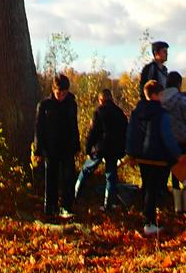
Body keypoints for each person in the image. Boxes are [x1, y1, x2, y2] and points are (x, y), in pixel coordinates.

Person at [126, 80, 181, 235]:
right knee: (154, 189)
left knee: (146, 186)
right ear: (156, 95)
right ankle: (149, 222)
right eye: (161, 94)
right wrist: (177, 154)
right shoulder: (161, 113)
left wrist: (131, 153)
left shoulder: (137, 112)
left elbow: (131, 134)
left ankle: (147, 216)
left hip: (142, 157)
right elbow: (167, 136)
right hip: (158, 157)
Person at [34, 73, 80, 219]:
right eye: (59, 93)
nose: (61, 96)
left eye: (64, 93)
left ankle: (67, 206)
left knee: (68, 178)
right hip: (50, 147)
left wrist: (76, 145)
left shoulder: (71, 104)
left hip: (66, 146)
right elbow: (38, 128)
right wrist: (38, 149)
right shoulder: (44, 105)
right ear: (54, 90)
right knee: (51, 179)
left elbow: (74, 125)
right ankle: (50, 207)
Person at [74, 88, 128, 211]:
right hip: (114, 149)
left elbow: (93, 132)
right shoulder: (120, 112)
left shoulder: (98, 112)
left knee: (86, 170)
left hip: (100, 148)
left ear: (100, 99)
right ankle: (108, 204)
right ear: (111, 98)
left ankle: (75, 195)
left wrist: (87, 149)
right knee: (110, 175)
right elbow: (125, 131)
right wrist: (123, 149)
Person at [160, 71, 186, 215]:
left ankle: (177, 205)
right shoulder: (181, 99)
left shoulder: (161, 99)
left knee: (174, 171)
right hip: (184, 138)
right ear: (179, 83)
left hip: (170, 139)